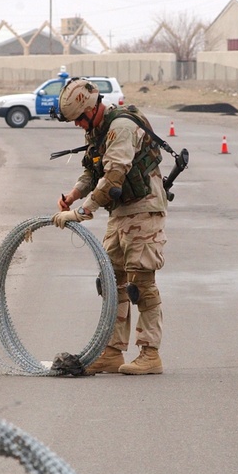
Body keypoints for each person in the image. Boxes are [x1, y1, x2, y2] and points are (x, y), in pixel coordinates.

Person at [51, 78, 168, 375]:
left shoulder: (121, 128)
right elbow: (92, 170)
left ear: (90, 108)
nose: (78, 125)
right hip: (121, 212)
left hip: (144, 209)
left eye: (78, 118)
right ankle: (112, 351)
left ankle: (150, 354)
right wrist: (73, 195)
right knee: (111, 281)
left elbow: (114, 177)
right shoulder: (97, 130)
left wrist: (81, 212)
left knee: (140, 283)